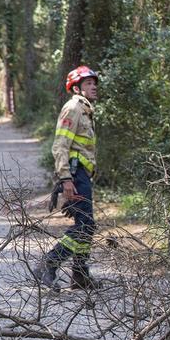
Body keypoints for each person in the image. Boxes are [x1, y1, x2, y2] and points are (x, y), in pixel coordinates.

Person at [33, 66, 101, 291]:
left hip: (82, 174)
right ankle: (48, 264)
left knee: (86, 225)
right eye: (88, 83)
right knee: (85, 224)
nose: (94, 87)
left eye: (94, 83)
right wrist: (66, 179)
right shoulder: (73, 108)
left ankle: (80, 276)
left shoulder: (85, 110)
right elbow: (60, 145)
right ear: (77, 87)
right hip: (75, 172)